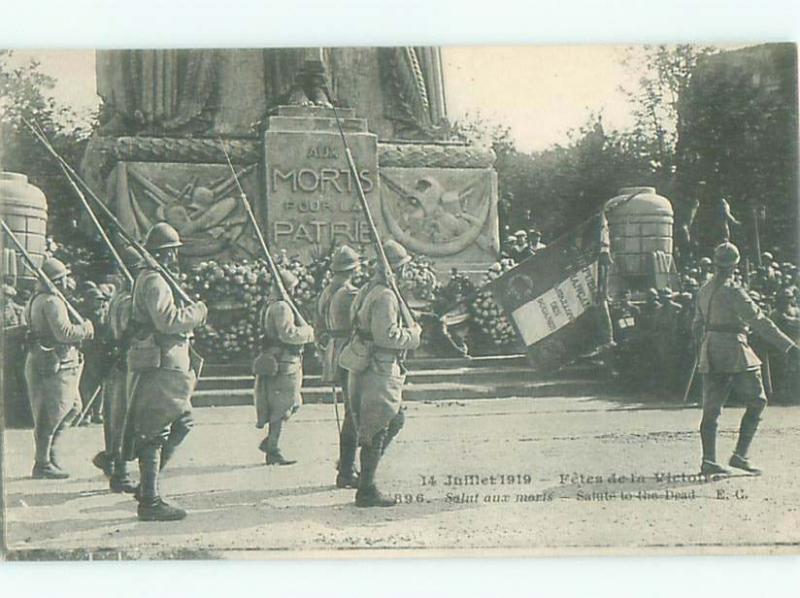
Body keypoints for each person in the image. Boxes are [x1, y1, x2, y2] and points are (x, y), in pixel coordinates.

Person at [123, 223, 208, 521]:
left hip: (166, 362)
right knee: (155, 432)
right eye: (173, 252)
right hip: (162, 363)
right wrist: (197, 313)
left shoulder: (152, 278)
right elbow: (167, 320)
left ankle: (149, 484)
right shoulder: (155, 281)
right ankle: (150, 500)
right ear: (166, 253)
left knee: (183, 421)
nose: (175, 257)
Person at [693, 242, 798, 475]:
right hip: (735, 350)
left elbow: (696, 325)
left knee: (711, 409)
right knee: (758, 400)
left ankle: (708, 460)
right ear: (735, 265)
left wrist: (704, 346)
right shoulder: (734, 291)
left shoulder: (703, 290)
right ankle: (740, 456)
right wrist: (789, 347)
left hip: (710, 351)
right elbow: (760, 322)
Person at [341, 240, 422, 507]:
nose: (407, 273)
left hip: (365, 365)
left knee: (393, 420)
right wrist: (413, 336)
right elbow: (387, 336)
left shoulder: (368, 289)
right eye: (404, 268)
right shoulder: (385, 296)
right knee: (379, 426)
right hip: (379, 368)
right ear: (395, 270)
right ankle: (366, 488)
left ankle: (366, 478)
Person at [24, 257, 95, 479]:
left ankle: (50, 454)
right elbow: (63, 333)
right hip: (54, 360)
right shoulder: (51, 302)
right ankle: (42, 462)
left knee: (73, 407)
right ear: (56, 280)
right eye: (63, 278)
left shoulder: (36, 299)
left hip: (49, 359)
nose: (67, 282)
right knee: (52, 413)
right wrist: (85, 329)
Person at [92, 246, 143, 493]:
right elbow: (128, 332)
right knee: (124, 418)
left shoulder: (117, 299)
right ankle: (120, 472)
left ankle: (111, 459)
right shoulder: (128, 302)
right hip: (124, 362)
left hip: (114, 361)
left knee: (115, 415)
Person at [254, 269, 315, 466]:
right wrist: (307, 333)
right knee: (283, 406)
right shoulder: (281, 307)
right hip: (284, 361)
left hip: (281, 359)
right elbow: (288, 334)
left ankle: (270, 442)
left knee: (290, 404)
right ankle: (273, 448)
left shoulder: (271, 305)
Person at [316, 245, 362, 487]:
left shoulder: (327, 291)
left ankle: (346, 466)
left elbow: (318, 327)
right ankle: (346, 470)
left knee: (350, 412)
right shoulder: (349, 293)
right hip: (348, 351)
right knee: (353, 414)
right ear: (353, 269)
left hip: (334, 349)